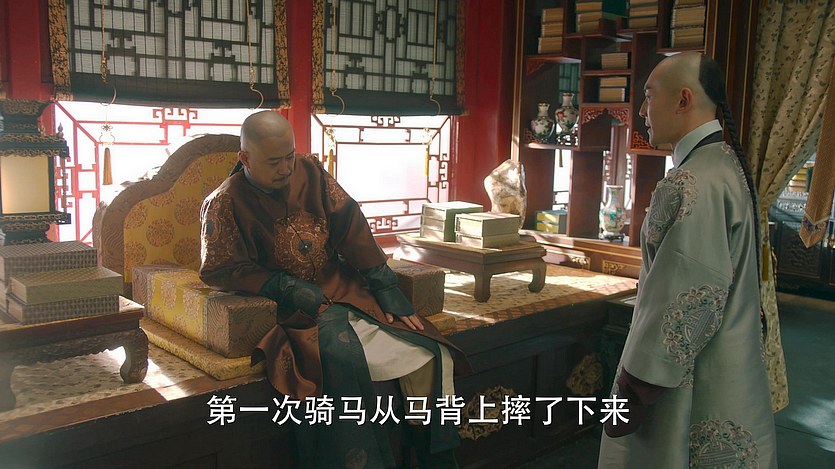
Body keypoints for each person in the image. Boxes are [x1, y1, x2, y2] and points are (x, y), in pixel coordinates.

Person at [199, 110, 470, 468]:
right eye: (274, 162)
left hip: (344, 289)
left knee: (428, 348)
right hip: (291, 311)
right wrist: (281, 285)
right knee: (340, 360)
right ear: (245, 158)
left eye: (289, 157)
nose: (286, 169)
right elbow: (220, 268)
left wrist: (385, 285)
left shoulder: (310, 171)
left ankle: (434, 459)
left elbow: (351, 225)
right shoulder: (224, 201)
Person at [597, 52, 777, 468]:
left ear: (683, 100)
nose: (642, 111)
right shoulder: (726, 164)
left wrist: (635, 385)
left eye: (648, 96)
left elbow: (688, 294)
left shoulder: (688, 182)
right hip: (732, 360)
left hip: (692, 377)